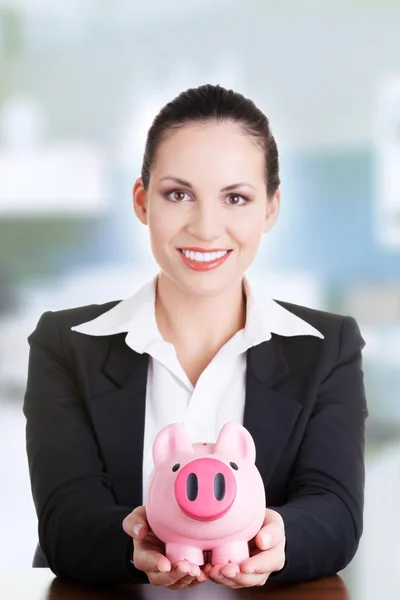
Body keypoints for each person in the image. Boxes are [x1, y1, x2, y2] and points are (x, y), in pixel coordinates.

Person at [23, 84, 368, 590]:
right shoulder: (65, 343)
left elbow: (335, 510)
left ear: (270, 208)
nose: (207, 228)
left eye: (235, 198)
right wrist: (133, 543)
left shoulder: (327, 346)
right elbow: (64, 515)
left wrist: (278, 540)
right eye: (178, 194)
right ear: (142, 201)